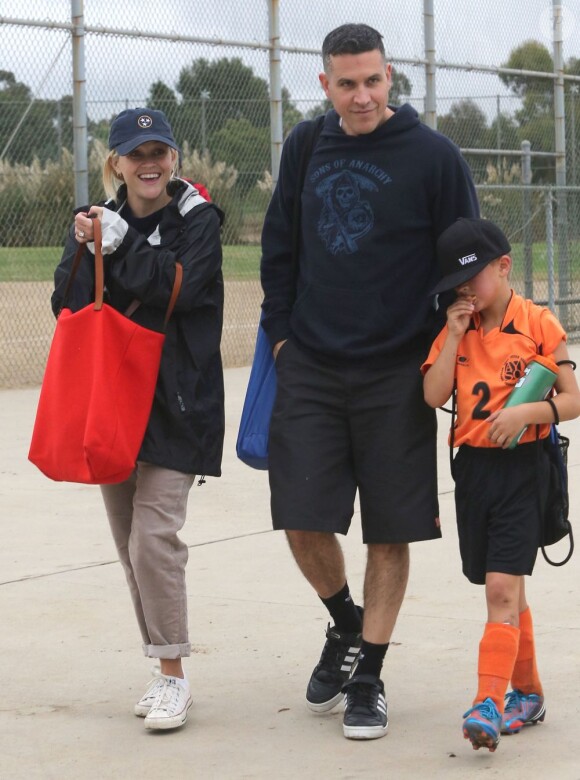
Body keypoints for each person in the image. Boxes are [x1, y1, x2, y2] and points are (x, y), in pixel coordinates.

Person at [260, 23, 479, 740]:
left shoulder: (433, 157)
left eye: (372, 81)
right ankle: (346, 624)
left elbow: (464, 257)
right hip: (314, 365)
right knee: (300, 514)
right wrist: (285, 336)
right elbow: (280, 245)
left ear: (392, 78)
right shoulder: (304, 146)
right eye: (346, 83)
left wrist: (450, 346)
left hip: (396, 372)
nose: (361, 96)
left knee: (391, 531)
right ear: (323, 84)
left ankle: (371, 677)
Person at [51, 107, 225, 731]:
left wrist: (119, 250)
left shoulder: (199, 220)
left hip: (178, 404)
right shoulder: (103, 219)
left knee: (154, 539)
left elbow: (181, 290)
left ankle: (175, 676)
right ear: (116, 163)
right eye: (136, 153)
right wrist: (83, 248)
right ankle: (160, 668)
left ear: (174, 159)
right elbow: (64, 304)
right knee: (130, 547)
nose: (149, 163)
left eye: (160, 152)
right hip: (112, 402)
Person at [422, 217, 580, 752]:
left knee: (501, 590)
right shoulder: (454, 330)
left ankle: (487, 702)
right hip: (473, 470)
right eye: (457, 283)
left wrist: (530, 412)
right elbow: (431, 393)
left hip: (524, 466)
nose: (466, 290)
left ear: (504, 266)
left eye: (474, 277)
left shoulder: (537, 322)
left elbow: (574, 398)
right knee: (503, 588)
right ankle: (528, 692)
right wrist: (454, 336)